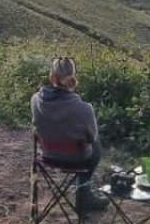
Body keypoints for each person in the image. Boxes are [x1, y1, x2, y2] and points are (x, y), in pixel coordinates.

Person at [31, 55, 105, 214]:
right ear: (73, 78)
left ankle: (85, 195)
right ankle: (84, 197)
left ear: (51, 77)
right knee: (96, 146)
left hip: (47, 156)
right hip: (76, 160)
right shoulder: (85, 108)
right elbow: (91, 137)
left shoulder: (35, 100)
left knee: (90, 146)